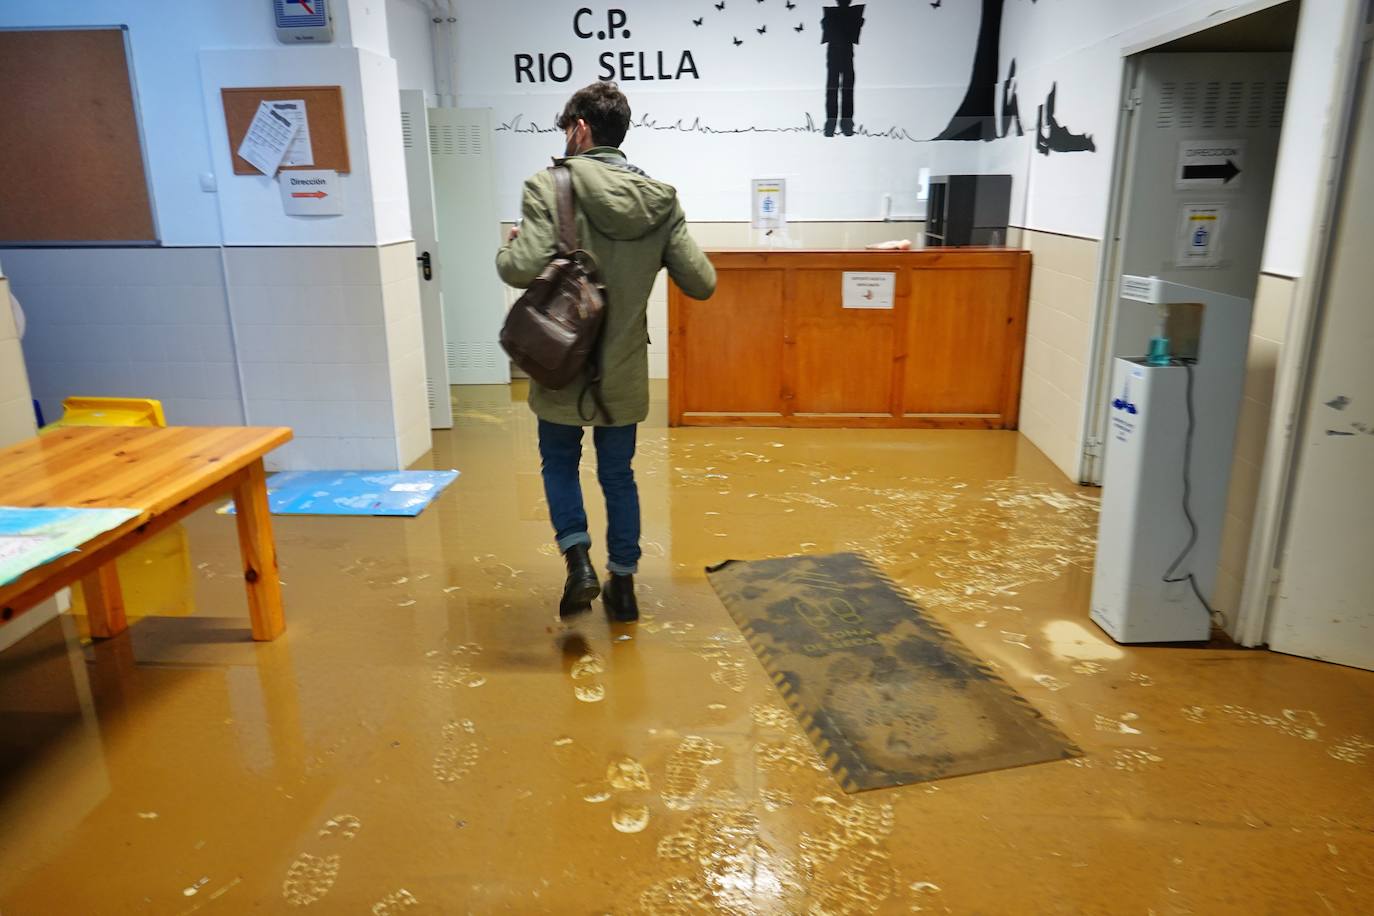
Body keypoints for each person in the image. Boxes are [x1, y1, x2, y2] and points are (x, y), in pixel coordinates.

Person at [496, 82, 716, 623]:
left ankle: (578, 564)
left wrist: (512, 244)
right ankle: (623, 586)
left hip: (558, 363)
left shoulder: (549, 187)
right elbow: (703, 282)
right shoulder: (661, 199)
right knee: (619, 475)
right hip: (621, 370)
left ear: (580, 128)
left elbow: (516, 268)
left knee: (560, 464)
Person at [821, 0, 866, 137]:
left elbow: (827, 29)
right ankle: (840, 124)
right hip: (842, 53)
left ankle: (835, 124)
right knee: (842, 89)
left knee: (835, 89)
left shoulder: (832, 14)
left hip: (838, 53)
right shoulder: (846, 14)